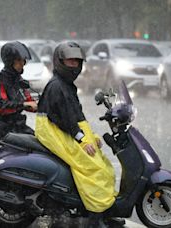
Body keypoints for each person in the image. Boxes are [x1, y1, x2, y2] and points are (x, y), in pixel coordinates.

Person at [35, 42, 117, 227]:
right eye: (70, 61)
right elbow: (64, 120)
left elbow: (75, 116)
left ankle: (104, 211)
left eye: (76, 62)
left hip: (65, 129)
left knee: (103, 163)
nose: (74, 66)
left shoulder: (66, 84)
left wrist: (91, 135)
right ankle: (95, 216)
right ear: (59, 62)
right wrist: (81, 139)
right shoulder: (58, 86)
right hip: (54, 132)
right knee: (93, 168)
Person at [0, 41, 37, 142]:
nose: (22, 63)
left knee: (38, 141)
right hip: (0, 127)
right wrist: (25, 105)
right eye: (19, 60)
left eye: (23, 60)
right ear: (10, 61)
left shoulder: (19, 80)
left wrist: (45, 106)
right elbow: (1, 106)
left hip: (17, 125)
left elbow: (29, 100)